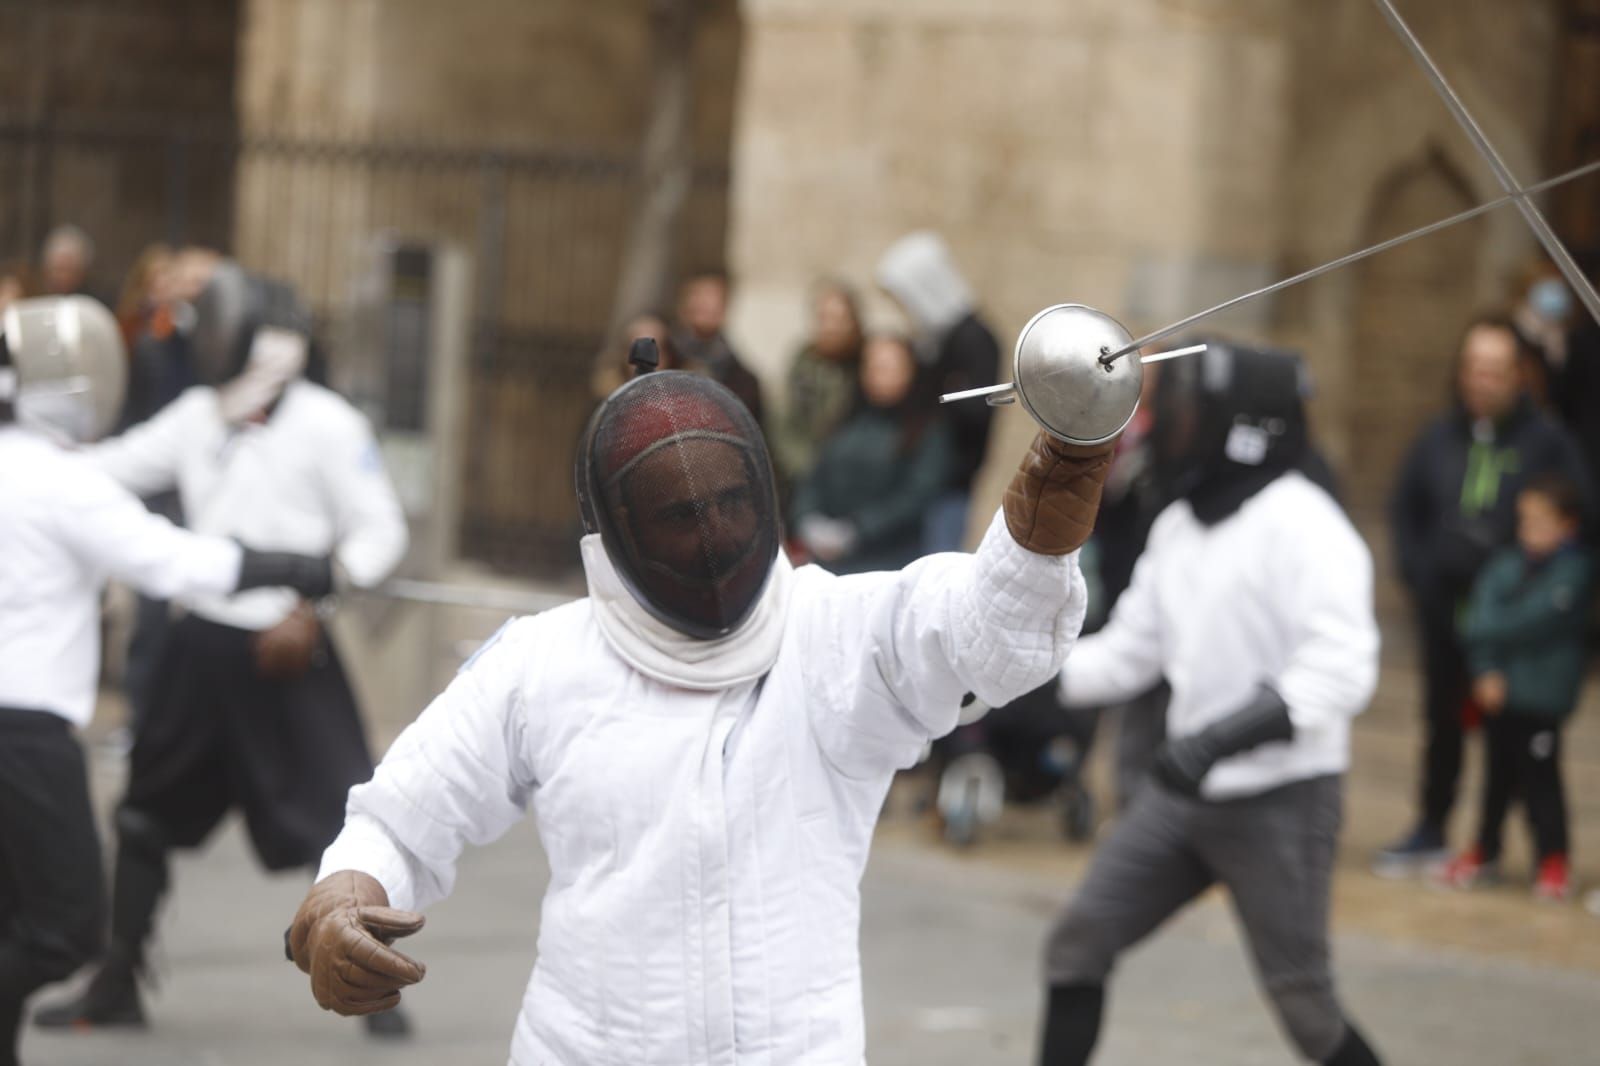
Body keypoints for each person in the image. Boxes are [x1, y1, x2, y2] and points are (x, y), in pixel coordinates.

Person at [283, 367, 1116, 1064]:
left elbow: (987, 635)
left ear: (762, 491)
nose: (714, 533)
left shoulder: (837, 632)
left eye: (728, 502)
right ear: (617, 530)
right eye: (681, 515)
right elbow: (402, 817)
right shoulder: (542, 663)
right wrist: (344, 898)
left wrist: (1045, 519)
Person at [34, 265, 411, 1039]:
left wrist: (318, 604)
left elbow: (380, 532)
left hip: (288, 646)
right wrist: (27, 452)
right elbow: (105, 471)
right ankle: (117, 984)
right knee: (142, 818)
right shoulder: (197, 417)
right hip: (198, 647)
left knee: (348, 819)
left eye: (218, 324)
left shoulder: (329, 424)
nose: (208, 339)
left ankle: (374, 986)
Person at [0, 295, 336, 1066]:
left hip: (18, 730)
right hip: (24, 739)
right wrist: (291, 566)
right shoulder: (56, 479)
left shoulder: (27, 465)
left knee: (10, 914)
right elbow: (172, 561)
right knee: (65, 930)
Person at [1039, 342, 1384, 1066]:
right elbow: (1133, 651)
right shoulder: (1181, 524)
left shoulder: (1307, 525)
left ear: (1240, 421)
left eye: (1183, 409)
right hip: (1182, 797)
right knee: (1076, 945)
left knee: (1307, 1008)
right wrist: (1018, 677)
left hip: (1279, 803)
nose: (1168, 424)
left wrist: (1220, 740)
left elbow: (1343, 667)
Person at [1378, 313, 1590, 875]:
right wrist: (1419, 571)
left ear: (1518, 374)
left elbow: (1575, 517)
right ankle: (1431, 826)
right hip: (1445, 610)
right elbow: (1405, 508)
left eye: (1495, 370)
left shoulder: (1548, 442)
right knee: (1441, 724)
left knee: (1512, 741)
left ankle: (1503, 845)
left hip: (1516, 626)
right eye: (1473, 368)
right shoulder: (1437, 435)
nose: (1482, 380)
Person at [1436, 474, 1591, 901]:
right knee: (1496, 777)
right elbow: (1476, 619)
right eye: (1525, 521)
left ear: (1567, 526)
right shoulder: (1506, 564)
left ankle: (1553, 858)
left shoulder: (1574, 571)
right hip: (1497, 693)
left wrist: (1491, 631)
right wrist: (1486, 668)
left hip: (1541, 698)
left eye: (1542, 522)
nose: (1530, 531)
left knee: (1541, 780)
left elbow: (1533, 620)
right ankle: (1485, 849)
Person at [876, 232, 1000, 553]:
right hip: (919, 483)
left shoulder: (975, 341)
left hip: (949, 483)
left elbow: (975, 410)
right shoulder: (937, 341)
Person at [790, 333, 951, 574]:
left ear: (910, 371)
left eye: (887, 367)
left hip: (890, 561)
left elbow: (916, 495)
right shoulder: (846, 418)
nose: (877, 374)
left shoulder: (924, 429)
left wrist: (857, 530)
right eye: (872, 365)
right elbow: (814, 476)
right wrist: (807, 519)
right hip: (829, 560)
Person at [770, 280, 865, 490]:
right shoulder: (802, 364)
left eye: (839, 319)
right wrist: (808, 470)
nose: (831, 327)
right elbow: (784, 426)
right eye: (824, 318)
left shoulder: (865, 365)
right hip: (807, 476)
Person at [671, 267, 764, 421]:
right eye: (696, 295)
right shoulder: (664, 358)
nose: (702, 303)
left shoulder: (743, 380)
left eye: (710, 296)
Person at [38, 225, 100, 302]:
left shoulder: (92, 304)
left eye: (68, 270)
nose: (62, 277)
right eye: (58, 269)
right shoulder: (37, 298)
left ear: (81, 272)